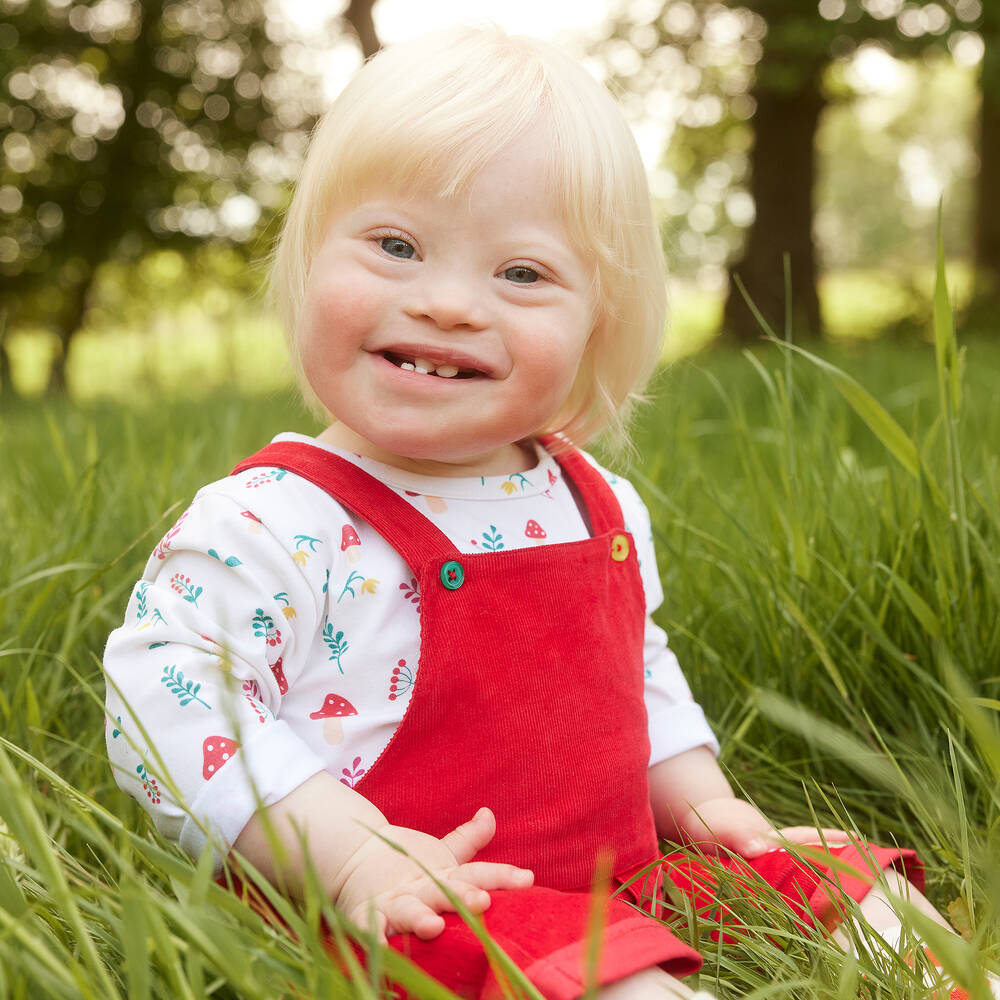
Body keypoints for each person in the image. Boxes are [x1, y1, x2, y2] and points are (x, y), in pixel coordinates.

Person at [104, 25, 991, 1000]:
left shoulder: (592, 501)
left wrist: (702, 803)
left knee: (846, 881)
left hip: (625, 874)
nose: (447, 303)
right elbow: (168, 706)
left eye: (521, 273)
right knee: (611, 981)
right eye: (396, 246)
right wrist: (352, 856)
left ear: (596, 325)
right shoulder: (273, 521)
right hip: (405, 903)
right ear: (309, 258)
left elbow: (635, 671)